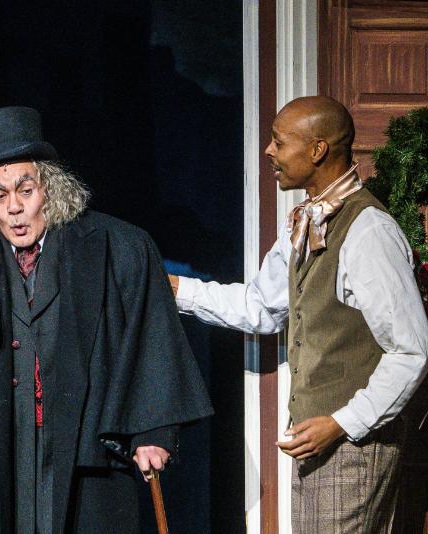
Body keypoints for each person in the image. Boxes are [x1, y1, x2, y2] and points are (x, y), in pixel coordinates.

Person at [0, 106, 212, 534]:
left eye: (25, 190)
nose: (14, 208)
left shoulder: (117, 246)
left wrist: (153, 432)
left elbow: (152, 336)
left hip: (87, 443)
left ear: (50, 187)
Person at [169, 96, 428, 533]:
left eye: (279, 141)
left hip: (354, 442)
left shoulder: (369, 231)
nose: (269, 151)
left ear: (317, 149)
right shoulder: (306, 222)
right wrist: (177, 289)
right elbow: (260, 307)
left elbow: (411, 350)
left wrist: (341, 423)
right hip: (318, 441)